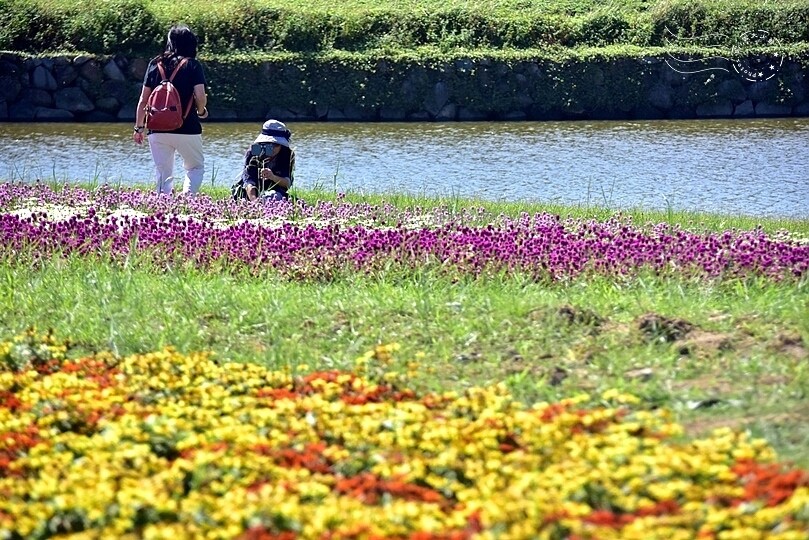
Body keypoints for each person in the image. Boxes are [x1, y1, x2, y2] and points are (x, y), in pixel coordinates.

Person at [132, 25, 208, 195]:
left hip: (157, 128)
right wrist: (201, 111)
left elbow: (143, 100)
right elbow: (200, 96)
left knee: (163, 173)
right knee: (195, 167)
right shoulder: (192, 65)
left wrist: (138, 128)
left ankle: (164, 206)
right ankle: (188, 200)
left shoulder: (154, 64)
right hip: (187, 127)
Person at [233, 119, 295, 202]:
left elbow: (287, 183)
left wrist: (273, 177)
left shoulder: (287, 154)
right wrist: (255, 202)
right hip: (251, 192)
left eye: (276, 144)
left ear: (282, 145)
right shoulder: (253, 151)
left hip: (277, 192)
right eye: (268, 143)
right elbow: (249, 181)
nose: (272, 148)